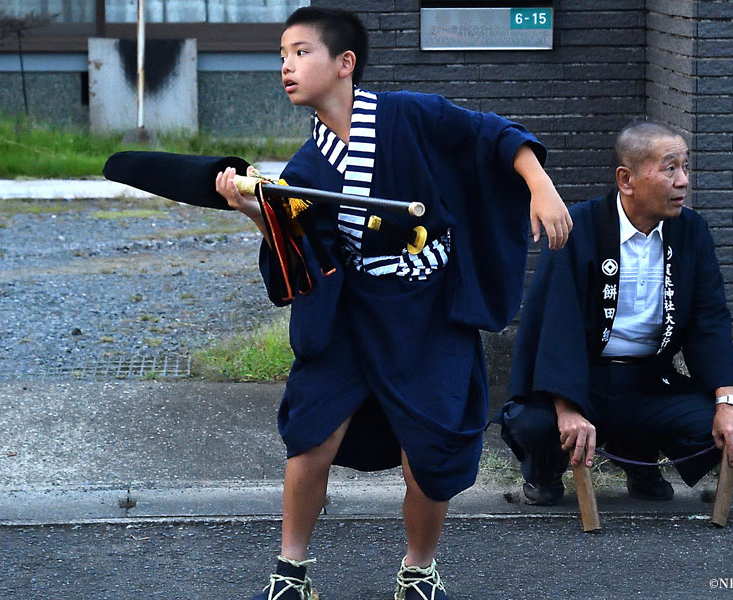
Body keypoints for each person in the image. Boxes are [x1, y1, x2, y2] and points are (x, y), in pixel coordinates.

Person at [214, 7, 572, 600]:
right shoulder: (307, 167)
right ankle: (290, 571)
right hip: (352, 313)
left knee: (427, 455)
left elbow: (493, 135)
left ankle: (418, 569)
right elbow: (301, 252)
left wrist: (541, 186)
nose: (286, 66)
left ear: (344, 63)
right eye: (281, 56)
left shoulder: (411, 115)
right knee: (311, 432)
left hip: (428, 314)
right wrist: (257, 211)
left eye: (301, 52)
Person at [497, 121, 733, 506]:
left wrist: (728, 403)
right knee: (532, 423)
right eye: (670, 168)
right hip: (582, 379)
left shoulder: (692, 232)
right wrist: (567, 409)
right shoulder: (579, 226)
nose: (683, 181)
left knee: (728, 425)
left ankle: (640, 460)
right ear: (626, 179)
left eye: (685, 167)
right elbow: (557, 323)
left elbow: (710, 320)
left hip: (646, 381)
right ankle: (544, 469)